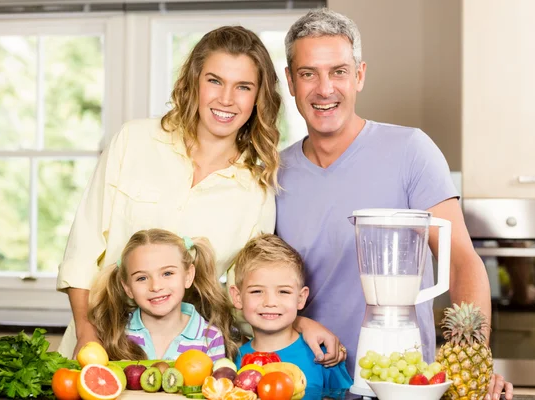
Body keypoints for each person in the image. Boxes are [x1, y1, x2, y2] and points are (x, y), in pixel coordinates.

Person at [275, 8, 514, 399]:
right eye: (308, 74)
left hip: (402, 386)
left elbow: (459, 261)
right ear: (290, 81)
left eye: (338, 71)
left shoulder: (410, 150)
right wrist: (300, 323)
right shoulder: (276, 172)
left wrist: (475, 361)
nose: (324, 89)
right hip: (303, 383)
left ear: (360, 75)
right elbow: (262, 284)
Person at [56, 25, 281, 358]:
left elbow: (247, 294)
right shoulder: (134, 140)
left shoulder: (257, 191)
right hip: (96, 343)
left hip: (187, 361)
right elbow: (83, 247)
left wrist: (299, 324)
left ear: (258, 97)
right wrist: (87, 333)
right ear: (194, 80)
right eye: (215, 80)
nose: (226, 99)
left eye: (243, 87)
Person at [88, 228, 236, 360]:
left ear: (188, 276)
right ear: (127, 287)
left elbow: (215, 387)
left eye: (167, 273)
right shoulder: (116, 333)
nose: (156, 286)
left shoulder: (209, 337)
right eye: (142, 278)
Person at [229, 234, 352, 391]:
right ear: (238, 297)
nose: (270, 302)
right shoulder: (233, 361)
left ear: (301, 298)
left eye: (283, 292)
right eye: (257, 291)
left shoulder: (323, 355)